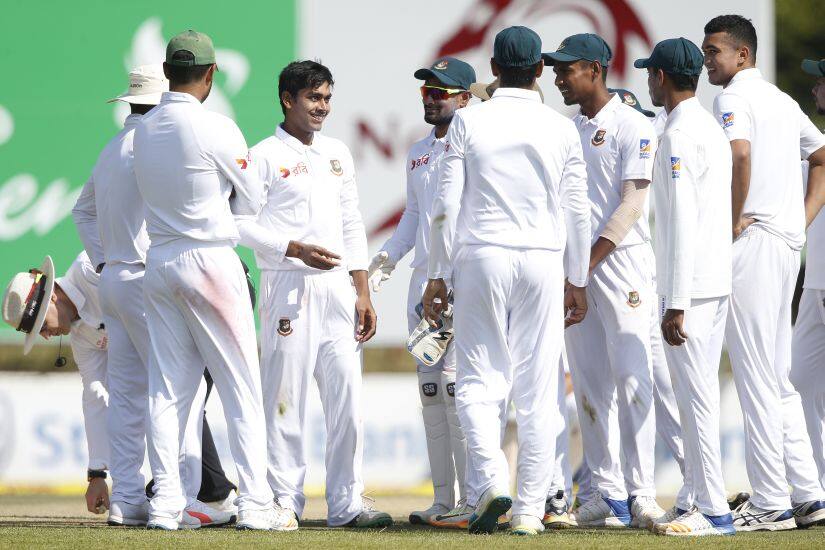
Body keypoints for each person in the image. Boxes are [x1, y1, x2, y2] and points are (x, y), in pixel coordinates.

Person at [423, 25, 591, 536]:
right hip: (542, 258)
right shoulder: (561, 127)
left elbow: (444, 207)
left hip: (482, 256)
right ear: (539, 70)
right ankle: (527, 512)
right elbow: (577, 212)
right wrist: (577, 279)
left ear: (493, 70)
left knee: (477, 380)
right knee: (539, 391)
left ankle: (492, 480)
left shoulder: (469, 122)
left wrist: (436, 274)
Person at [133, 30, 293, 531]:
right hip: (209, 259)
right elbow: (254, 197)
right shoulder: (216, 127)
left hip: (159, 262)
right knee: (241, 385)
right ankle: (257, 506)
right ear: (210, 74)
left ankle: (164, 505)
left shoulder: (143, 128)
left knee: (168, 391)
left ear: (167, 71)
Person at [72, 64, 234, 527]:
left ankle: (127, 499)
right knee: (176, 389)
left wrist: (104, 260)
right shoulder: (159, 142)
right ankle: (179, 499)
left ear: (129, 102)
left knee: (126, 395)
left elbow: (81, 212)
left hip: (115, 280)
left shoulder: (111, 150)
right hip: (149, 275)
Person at [236, 60, 389, 529]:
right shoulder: (262, 155)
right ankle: (284, 501)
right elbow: (239, 222)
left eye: (327, 98)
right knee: (285, 400)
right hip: (287, 286)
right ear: (288, 99)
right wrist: (292, 249)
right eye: (313, 98)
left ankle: (346, 503)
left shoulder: (337, 153)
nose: (323, 107)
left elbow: (351, 223)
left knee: (347, 400)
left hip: (337, 289)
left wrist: (362, 291)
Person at [702, 14, 825, 531]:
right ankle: (808, 494)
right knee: (776, 377)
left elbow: (740, 153)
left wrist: (730, 218)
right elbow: (821, 155)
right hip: (782, 244)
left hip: (753, 242)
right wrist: (801, 219)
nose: (707, 60)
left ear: (742, 55)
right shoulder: (781, 99)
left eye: (714, 52)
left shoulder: (732, 99)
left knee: (755, 373)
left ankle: (770, 502)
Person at [544, 33, 665, 528]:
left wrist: (586, 262)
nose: (557, 78)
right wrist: (571, 268)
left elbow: (632, 205)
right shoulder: (564, 129)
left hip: (622, 264)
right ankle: (607, 494)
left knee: (633, 376)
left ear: (594, 69)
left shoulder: (633, 124)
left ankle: (643, 494)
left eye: (565, 69)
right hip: (578, 271)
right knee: (590, 382)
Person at [367, 56, 474, 527]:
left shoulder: (478, 145)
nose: (430, 98)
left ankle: (472, 500)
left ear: (466, 98)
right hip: (420, 282)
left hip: (460, 281)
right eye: (426, 92)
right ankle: (442, 499)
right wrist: (385, 260)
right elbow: (413, 216)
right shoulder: (418, 151)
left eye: (441, 92)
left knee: (456, 389)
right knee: (431, 390)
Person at [638, 37, 735, 536]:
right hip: (712, 280)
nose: (646, 82)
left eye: (649, 74)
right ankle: (695, 495)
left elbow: (681, 222)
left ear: (660, 77)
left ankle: (715, 510)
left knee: (695, 398)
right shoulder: (709, 127)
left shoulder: (677, 134)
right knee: (697, 395)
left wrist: (674, 302)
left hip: (690, 289)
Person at [791, 56, 825, 502]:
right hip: (813, 284)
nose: (815, 90)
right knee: (798, 381)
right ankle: (816, 486)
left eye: (820, 82)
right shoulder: (817, 146)